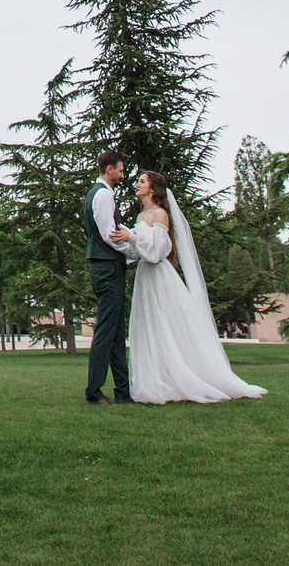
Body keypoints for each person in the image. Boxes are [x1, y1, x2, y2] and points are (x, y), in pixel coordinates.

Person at [123, 169, 267, 404]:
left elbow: (158, 252)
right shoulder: (141, 218)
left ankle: (185, 376)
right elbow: (140, 252)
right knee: (149, 324)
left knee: (167, 323)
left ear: (152, 188)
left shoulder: (160, 215)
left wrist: (132, 238)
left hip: (159, 276)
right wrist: (126, 242)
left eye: (141, 181)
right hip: (144, 277)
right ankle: (158, 378)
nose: (136, 185)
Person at [83, 148, 136, 403]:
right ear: (110, 169)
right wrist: (136, 252)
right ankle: (93, 393)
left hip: (106, 267)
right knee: (106, 331)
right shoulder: (103, 195)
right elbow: (110, 235)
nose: (123, 175)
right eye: (121, 170)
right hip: (108, 268)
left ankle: (123, 392)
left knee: (116, 333)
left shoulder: (97, 194)